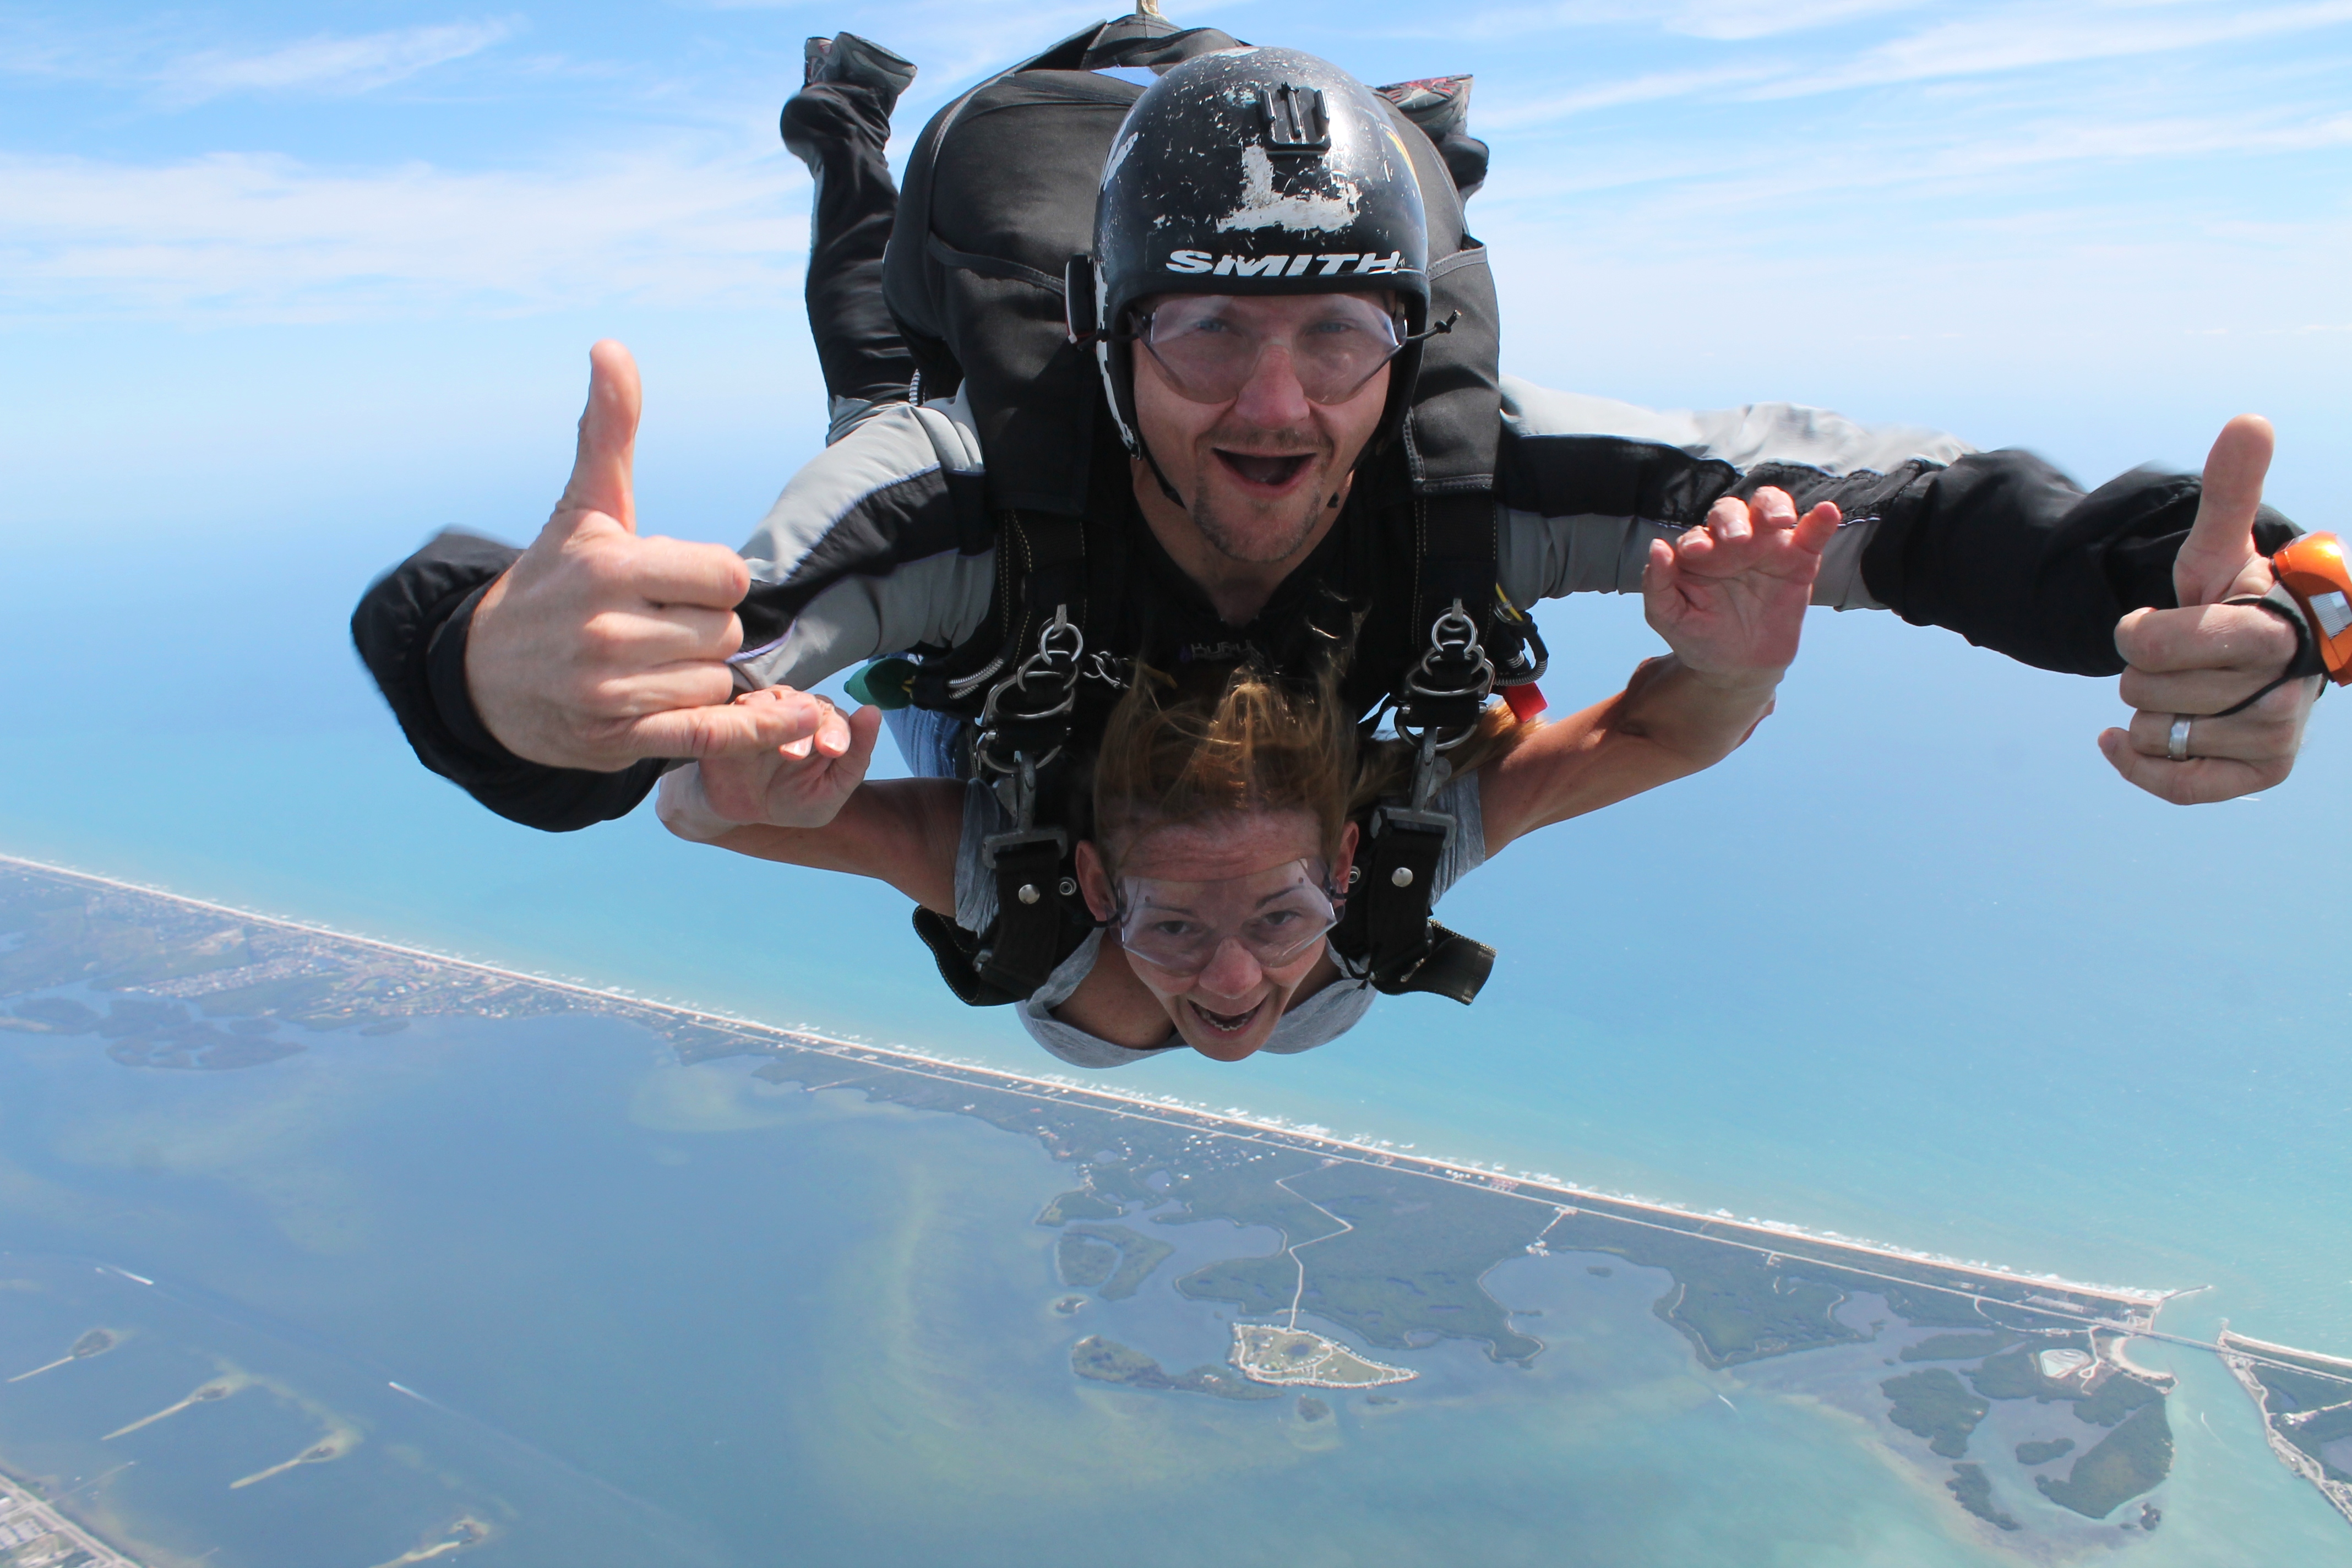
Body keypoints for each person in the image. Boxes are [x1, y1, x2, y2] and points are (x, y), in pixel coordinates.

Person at [351, 26, 2336, 945]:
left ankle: (1422, 167)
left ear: (1416, 332)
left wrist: (2266, 602)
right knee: (883, 362)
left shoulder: (1494, 469)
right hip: (991, 511)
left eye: (1341, 331)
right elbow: (681, 669)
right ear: (1108, 342)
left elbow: (1916, 515)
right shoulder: (958, 496)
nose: (1276, 402)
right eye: (1204, 329)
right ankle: (848, 145)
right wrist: (503, 688)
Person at [652, 479, 1839, 1066]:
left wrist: (745, 787)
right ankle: (844, 135)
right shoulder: (1389, 883)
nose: (1231, 980)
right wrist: (1733, 671)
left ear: (1341, 862)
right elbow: (1665, 737)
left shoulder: (1005, 888)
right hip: (1022, 721)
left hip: (1010, 718)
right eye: (1178, 923)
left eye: (1276, 912)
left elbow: (697, 815)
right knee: (880, 414)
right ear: (1096, 883)